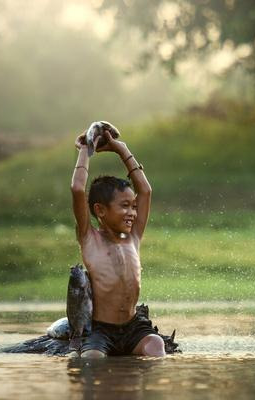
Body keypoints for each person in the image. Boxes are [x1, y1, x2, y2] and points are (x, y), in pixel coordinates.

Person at [71, 121, 165, 358]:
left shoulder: (133, 237)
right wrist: (85, 149)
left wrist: (121, 149)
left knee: (155, 346)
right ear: (100, 210)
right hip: (102, 330)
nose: (133, 213)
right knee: (92, 359)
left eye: (134, 207)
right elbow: (77, 189)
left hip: (134, 327)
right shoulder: (89, 239)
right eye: (125, 206)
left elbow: (146, 191)